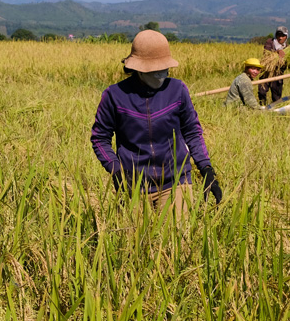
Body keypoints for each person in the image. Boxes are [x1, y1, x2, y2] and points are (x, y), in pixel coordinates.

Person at [91, 30, 222, 219]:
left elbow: (192, 131)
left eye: (165, 69)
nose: (161, 74)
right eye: (155, 70)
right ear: (138, 69)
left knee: (177, 241)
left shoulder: (177, 90)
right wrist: (116, 170)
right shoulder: (115, 96)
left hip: (176, 180)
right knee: (134, 244)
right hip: (133, 184)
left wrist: (206, 168)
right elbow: (100, 138)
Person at [258, 26, 289, 105]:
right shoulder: (270, 42)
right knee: (262, 92)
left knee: (276, 97)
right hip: (266, 72)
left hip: (278, 75)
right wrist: (277, 53)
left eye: (283, 36)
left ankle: (274, 111)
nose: (280, 38)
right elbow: (266, 54)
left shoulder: (287, 48)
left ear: (286, 37)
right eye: (278, 35)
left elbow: (286, 63)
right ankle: (262, 107)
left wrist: (283, 60)